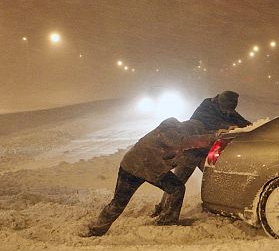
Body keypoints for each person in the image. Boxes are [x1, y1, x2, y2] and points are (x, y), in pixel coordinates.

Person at [82, 118, 216, 237]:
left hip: (143, 167)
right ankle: (97, 229)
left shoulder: (180, 139)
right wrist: (211, 138)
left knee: (175, 188)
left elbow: (190, 153)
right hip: (136, 167)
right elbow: (183, 141)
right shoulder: (170, 130)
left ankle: (97, 228)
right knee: (121, 202)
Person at [150, 91, 251, 219]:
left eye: (229, 110)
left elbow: (239, 120)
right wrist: (227, 126)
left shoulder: (225, 108)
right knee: (177, 182)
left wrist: (255, 126)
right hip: (191, 152)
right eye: (226, 109)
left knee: (215, 177)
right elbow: (204, 122)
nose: (227, 113)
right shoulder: (206, 107)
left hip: (206, 153)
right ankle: (162, 210)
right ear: (220, 103)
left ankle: (224, 206)